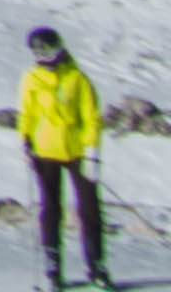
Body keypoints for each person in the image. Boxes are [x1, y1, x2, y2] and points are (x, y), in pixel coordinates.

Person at [17, 24, 108, 287]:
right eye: (35, 52)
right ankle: (53, 269)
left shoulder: (76, 78)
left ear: (57, 48)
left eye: (44, 50)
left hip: (77, 151)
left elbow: (91, 116)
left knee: (89, 209)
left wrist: (92, 151)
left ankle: (97, 267)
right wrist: (25, 140)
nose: (40, 56)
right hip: (45, 151)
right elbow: (27, 112)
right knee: (51, 209)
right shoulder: (31, 78)